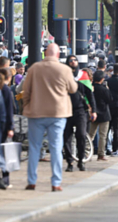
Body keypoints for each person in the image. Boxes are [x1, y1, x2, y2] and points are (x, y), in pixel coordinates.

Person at [21, 43, 79, 191]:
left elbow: (25, 90)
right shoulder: (64, 69)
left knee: (34, 147)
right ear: (58, 54)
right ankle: (56, 182)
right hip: (58, 113)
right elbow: (73, 89)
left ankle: (32, 180)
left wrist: (27, 105)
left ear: (46, 53)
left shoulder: (34, 68)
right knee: (56, 147)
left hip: (36, 112)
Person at [63, 60, 95, 171]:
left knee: (81, 135)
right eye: (70, 61)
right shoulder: (63, 77)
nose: (73, 62)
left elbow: (90, 95)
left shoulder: (83, 77)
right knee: (66, 137)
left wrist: (94, 110)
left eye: (75, 60)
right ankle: (70, 162)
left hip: (81, 111)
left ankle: (81, 160)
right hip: (66, 111)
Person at [88, 70, 112, 161]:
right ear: (102, 79)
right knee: (103, 135)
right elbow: (110, 100)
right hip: (104, 114)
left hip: (93, 114)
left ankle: (87, 152)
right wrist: (107, 89)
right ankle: (101, 154)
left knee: (90, 135)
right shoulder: (104, 89)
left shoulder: (91, 88)